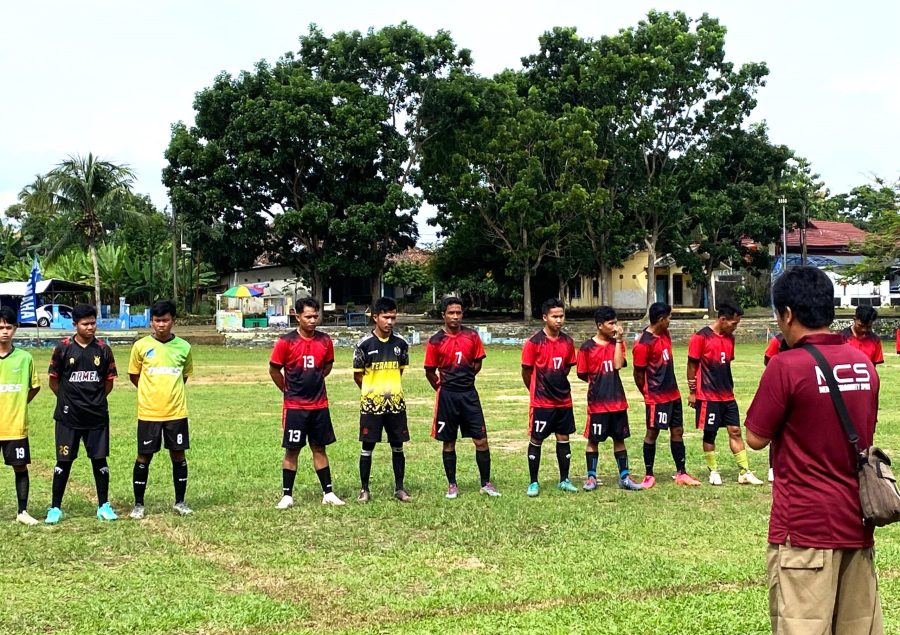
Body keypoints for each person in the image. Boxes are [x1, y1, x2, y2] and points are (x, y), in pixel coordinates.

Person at [745, 266, 883, 634]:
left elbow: (755, 438)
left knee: (801, 626)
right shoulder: (863, 364)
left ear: (788, 314)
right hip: (857, 522)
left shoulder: (785, 366)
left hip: (804, 528)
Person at [45, 304, 118, 524]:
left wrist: (93, 401)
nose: (90, 327)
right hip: (68, 417)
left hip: (96, 416)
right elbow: (53, 381)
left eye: (93, 323)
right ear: (75, 324)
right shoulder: (63, 348)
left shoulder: (103, 349)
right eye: (85, 324)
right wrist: (68, 401)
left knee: (99, 460)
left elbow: (108, 383)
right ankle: (55, 508)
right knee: (63, 461)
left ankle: (103, 506)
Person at [269, 298, 344, 508]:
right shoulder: (286, 342)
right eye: (308, 316)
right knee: (292, 449)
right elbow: (274, 370)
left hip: (319, 405)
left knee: (319, 448)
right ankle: (287, 495)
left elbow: (327, 367)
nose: (312, 321)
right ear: (297, 316)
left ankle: (328, 493)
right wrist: (288, 390)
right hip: (295, 407)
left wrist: (315, 381)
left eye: (315, 316)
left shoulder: (325, 341)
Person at [424, 297, 500, 499]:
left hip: (469, 395)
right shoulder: (435, 341)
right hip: (447, 397)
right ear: (443, 315)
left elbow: (477, 363)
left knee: (481, 440)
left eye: (458, 312)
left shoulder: (471, 336)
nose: (455, 316)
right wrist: (442, 387)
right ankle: (452, 484)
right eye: (451, 313)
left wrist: (465, 379)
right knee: (448, 441)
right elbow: (430, 371)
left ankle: (486, 483)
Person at [128, 300, 194, 519]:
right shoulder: (141, 346)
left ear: (173, 321)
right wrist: (150, 393)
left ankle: (180, 502)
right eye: (157, 321)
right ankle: (138, 504)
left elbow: (183, 376)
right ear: (151, 322)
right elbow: (134, 376)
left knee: (178, 455)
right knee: (144, 456)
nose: (161, 325)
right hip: (149, 412)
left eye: (165, 320)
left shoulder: (184, 347)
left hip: (176, 412)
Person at [687, 301, 763, 486]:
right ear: (722, 319)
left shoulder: (730, 338)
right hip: (708, 395)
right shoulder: (701, 337)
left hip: (727, 395)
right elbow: (692, 365)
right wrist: (692, 392)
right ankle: (713, 471)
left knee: (735, 431)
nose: (735, 327)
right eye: (734, 323)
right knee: (710, 433)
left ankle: (744, 472)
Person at [633, 302, 700, 488]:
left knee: (678, 431)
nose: (671, 320)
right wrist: (647, 394)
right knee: (652, 433)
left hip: (673, 394)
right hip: (656, 397)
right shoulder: (643, 344)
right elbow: (638, 374)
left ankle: (681, 472)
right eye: (669, 318)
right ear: (661, 319)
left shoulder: (665, 334)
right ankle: (649, 475)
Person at [576, 306, 642, 491]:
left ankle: (624, 477)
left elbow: (617, 365)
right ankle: (591, 477)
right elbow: (582, 373)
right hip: (598, 403)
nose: (615, 327)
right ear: (600, 325)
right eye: (611, 323)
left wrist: (619, 340)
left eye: (616, 323)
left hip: (617, 402)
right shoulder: (587, 347)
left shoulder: (617, 344)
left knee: (619, 439)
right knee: (593, 440)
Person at [353, 297, 411, 503]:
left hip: (396, 404)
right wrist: (372, 392)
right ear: (375, 317)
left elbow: (400, 370)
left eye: (393, 318)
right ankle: (364, 489)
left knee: (398, 446)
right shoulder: (364, 345)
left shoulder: (401, 344)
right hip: (371, 405)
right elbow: (358, 376)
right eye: (386, 317)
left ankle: (400, 488)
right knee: (367, 447)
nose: (390, 322)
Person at [522, 298, 578, 497]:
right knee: (537, 438)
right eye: (555, 316)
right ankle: (533, 482)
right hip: (542, 401)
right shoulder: (534, 342)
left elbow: (567, 367)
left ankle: (564, 480)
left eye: (561, 316)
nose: (559, 320)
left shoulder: (567, 342)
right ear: (545, 317)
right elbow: (526, 372)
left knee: (563, 438)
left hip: (563, 400)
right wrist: (536, 390)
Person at [0, 307, 40, 525]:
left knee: (20, 467)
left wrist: (18, 404)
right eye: (0, 327)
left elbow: (34, 387)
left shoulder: (25, 358)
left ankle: (22, 511)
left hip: (15, 426)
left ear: (15, 328)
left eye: (8, 327)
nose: (4, 332)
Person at [762, 331, 789, 483]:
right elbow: (768, 361)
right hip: (779, 389)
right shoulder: (777, 340)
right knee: (776, 431)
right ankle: (773, 468)